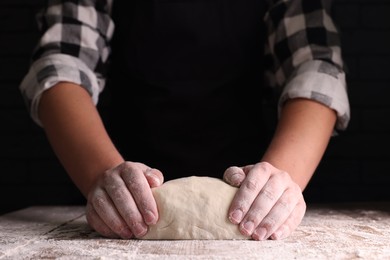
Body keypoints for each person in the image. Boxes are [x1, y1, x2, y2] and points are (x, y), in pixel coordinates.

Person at [19, 0, 350, 241]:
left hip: (244, 184)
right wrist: (101, 177)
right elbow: (61, 64)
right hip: (122, 179)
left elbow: (315, 66)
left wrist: (279, 181)